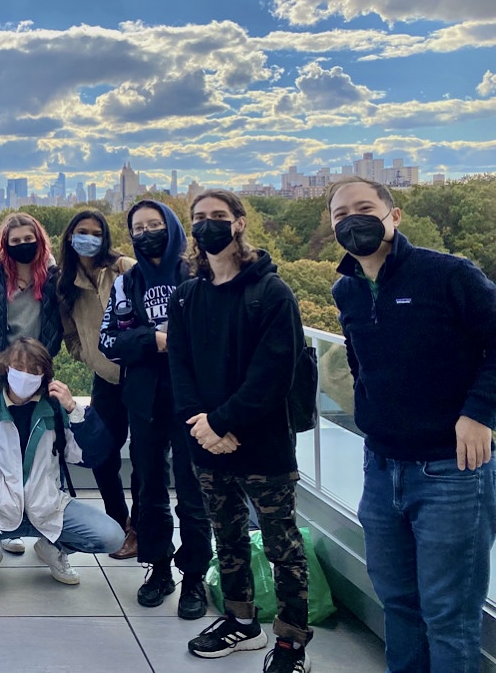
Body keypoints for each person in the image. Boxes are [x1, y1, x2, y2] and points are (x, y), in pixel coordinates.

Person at [329, 176, 496, 673]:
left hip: (452, 471)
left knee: (449, 614)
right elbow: (361, 363)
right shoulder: (347, 289)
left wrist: (479, 413)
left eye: (364, 208)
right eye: (341, 215)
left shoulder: (448, 274)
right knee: (398, 602)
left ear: (393, 215)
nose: (352, 220)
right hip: (380, 469)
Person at [167, 189, 312, 673]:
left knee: (281, 547)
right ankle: (240, 621)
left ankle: (291, 641)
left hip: (263, 446)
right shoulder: (186, 296)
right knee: (226, 538)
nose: (208, 225)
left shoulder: (272, 293)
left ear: (240, 223)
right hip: (206, 444)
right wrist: (202, 426)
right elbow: (181, 370)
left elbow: (273, 375)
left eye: (218, 216)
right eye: (199, 218)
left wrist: (222, 422)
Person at [99, 200, 212, 620]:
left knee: (193, 492)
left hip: (194, 403)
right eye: (138, 227)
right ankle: (159, 568)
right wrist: (155, 341)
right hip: (144, 400)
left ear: (173, 227)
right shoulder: (128, 283)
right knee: (148, 489)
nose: (147, 233)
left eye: (155, 224)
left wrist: (171, 339)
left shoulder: (199, 274)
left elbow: (214, 337)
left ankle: (195, 576)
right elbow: (109, 342)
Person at [0, 337, 125, 588]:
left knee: (113, 537)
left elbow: (93, 454)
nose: (24, 375)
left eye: (33, 370)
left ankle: (53, 548)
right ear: (6, 367)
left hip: (48, 505)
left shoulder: (55, 409)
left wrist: (74, 408)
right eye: (18, 367)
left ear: (44, 375)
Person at [0, 211, 62, 556]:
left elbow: (56, 322)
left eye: (29, 239)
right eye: (16, 241)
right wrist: (0, 363)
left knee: (38, 449)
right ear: (5, 245)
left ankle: (45, 527)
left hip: (38, 370)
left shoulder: (51, 278)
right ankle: (0, 523)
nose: (23, 245)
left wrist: (38, 362)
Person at [56, 208, 138, 560]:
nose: (87, 238)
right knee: (103, 454)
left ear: (105, 237)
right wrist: (86, 354)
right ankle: (120, 525)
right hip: (105, 379)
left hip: (143, 376)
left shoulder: (124, 269)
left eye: (95, 232)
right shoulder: (65, 282)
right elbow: (69, 331)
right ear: (70, 237)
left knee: (147, 459)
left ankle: (142, 528)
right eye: (81, 231)